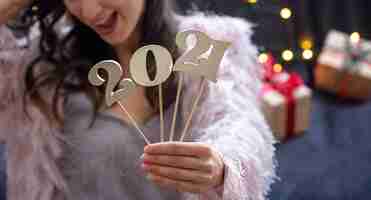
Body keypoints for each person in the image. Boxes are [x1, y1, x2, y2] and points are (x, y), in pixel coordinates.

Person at [0, 0, 277, 200]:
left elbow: (242, 127)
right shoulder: (41, 67)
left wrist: (221, 166)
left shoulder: (212, 44)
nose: (89, 11)